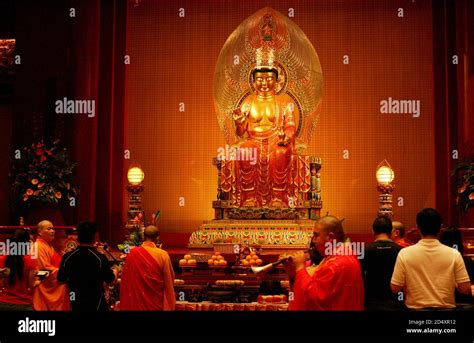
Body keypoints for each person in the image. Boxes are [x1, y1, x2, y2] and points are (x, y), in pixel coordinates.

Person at [232, 46, 297, 207]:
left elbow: (290, 126)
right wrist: (240, 122)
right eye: (260, 79)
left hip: (276, 141)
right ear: (253, 81)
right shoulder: (248, 102)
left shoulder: (284, 103)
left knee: (281, 153)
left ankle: (278, 197)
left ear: (277, 80)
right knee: (244, 150)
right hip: (253, 140)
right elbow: (241, 134)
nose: (264, 83)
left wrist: (286, 137)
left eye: (268, 78)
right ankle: (248, 198)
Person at [391, 208, 471, 309]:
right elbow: (465, 289)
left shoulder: (404, 253)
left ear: (418, 228)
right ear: (440, 228)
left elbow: (395, 288)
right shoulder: (454, 254)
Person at [285, 215, 364, 310]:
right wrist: (293, 274)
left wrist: (300, 269)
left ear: (330, 237)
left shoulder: (337, 264)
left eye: (316, 235)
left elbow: (313, 299)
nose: (313, 240)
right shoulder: (340, 257)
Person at [57, 221, 117, 311]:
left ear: (77, 237)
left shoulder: (67, 257)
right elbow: (111, 281)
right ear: (94, 237)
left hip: (74, 300)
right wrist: (115, 271)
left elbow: (60, 280)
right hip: (96, 301)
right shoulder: (100, 258)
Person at [120, 225, 175, 310]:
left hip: (135, 304)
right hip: (155, 303)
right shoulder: (162, 254)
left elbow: (125, 279)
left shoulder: (132, 254)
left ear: (143, 236)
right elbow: (169, 278)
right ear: (158, 238)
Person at [361, 217, 402, 310]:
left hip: (371, 300)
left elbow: (360, 276)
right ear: (391, 231)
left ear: (373, 231)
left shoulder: (365, 250)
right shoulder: (401, 251)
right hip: (395, 300)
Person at [32, 220, 70, 311]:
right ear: (40, 232)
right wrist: (63, 272)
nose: (52, 231)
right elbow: (43, 269)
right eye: (49, 229)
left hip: (54, 281)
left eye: (53, 228)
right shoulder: (38, 246)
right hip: (45, 285)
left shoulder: (47, 245)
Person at [0, 229, 40, 310]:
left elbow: (2, 284)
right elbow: (31, 284)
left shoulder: (2, 259)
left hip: (3, 303)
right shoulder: (30, 260)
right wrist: (39, 281)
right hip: (24, 304)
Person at [439, 226, 474, 307]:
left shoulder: (436, 261)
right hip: (465, 304)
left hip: (443, 303)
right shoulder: (469, 263)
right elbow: (466, 290)